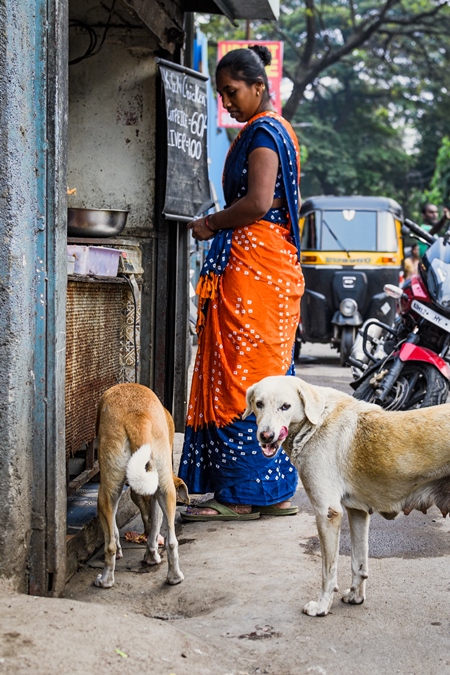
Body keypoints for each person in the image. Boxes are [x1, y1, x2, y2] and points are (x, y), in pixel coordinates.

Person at [178, 45, 305, 521]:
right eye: (220, 94)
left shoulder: (266, 133)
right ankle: (270, 494)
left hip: (257, 273)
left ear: (258, 86)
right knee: (264, 378)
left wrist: (211, 224)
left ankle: (239, 496)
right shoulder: (268, 131)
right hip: (263, 269)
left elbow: (256, 202)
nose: (225, 103)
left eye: (231, 92)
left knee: (242, 382)